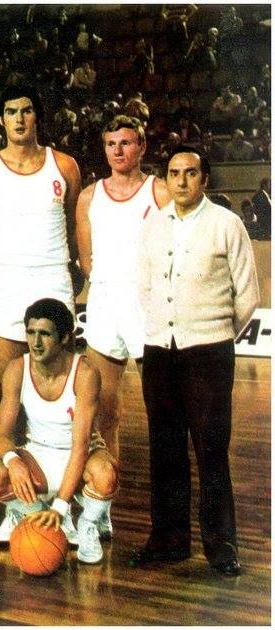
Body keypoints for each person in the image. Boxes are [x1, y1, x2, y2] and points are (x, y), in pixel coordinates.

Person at [133, 146, 259, 576]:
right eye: (174, 173)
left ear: (204, 179)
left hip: (209, 353)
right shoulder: (153, 224)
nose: (181, 181)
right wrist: (163, 330)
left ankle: (221, 546)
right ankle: (169, 541)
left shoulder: (227, 224)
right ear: (166, 179)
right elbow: (145, 289)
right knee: (164, 449)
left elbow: (247, 296)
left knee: (211, 450)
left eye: (190, 173)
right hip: (160, 351)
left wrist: (214, 335)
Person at [73, 115, 171, 538]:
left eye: (126, 143)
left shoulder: (159, 190)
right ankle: (101, 506)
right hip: (105, 303)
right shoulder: (89, 196)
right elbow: (87, 261)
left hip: (147, 304)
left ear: (142, 147)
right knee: (105, 412)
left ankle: (168, 513)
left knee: (163, 412)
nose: (118, 150)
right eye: (111, 143)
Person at [0, 298, 118, 563]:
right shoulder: (17, 369)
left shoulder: (85, 372)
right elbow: (1, 436)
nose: (36, 342)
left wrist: (61, 505)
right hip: (39, 453)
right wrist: (13, 462)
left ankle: (87, 524)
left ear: (64, 337)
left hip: (81, 454)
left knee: (105, 474)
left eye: (45, 334)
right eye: (31, 332)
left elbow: (80, 446)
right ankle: (32, 514)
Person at [0, 85, 81, 386]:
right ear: (1, 120)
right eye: (11, 112)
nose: (19, 119)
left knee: (60, 389)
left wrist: (62, 266)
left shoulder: (64, 165)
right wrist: (7, 263)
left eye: (26, 111)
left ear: (37, 117)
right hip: (7, 284)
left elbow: (73, 228)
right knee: (10, 389)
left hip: (53, 280)